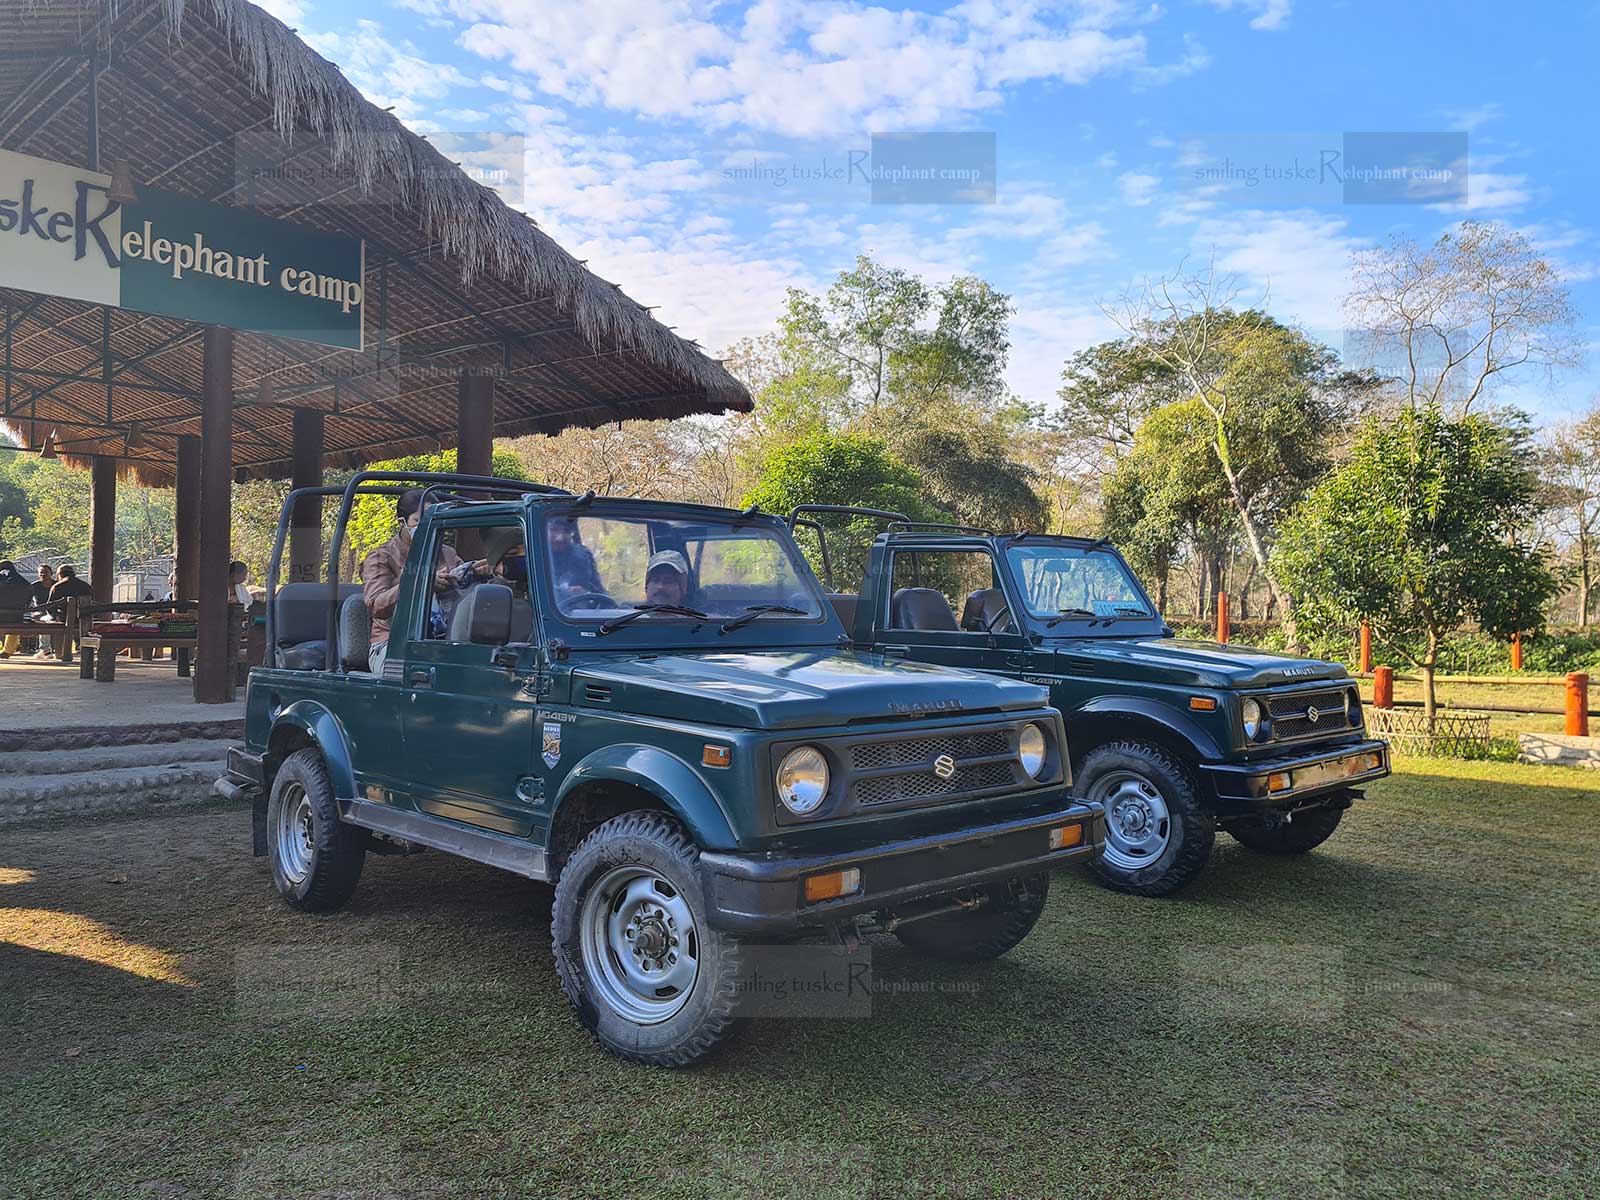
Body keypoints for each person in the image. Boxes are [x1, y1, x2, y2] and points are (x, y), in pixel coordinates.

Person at [362, 488, 461, 673]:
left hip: (442, 642)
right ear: (402, 522)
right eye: (419, 520)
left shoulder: (447, 552)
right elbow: (376, 605)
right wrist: (421, 583)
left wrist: (474, 572)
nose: (427, 525)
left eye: (433, 519)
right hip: (392, 644)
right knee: (420, 675)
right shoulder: (380, 556)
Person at [547, 516, 603, 599]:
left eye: (566, 531)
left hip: (579, 609)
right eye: (554, 530)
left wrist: (585, 593)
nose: (560, 538)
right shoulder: (532, 556)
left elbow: (599, 592)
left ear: (571, 533)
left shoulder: (583, 557)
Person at [0, 561, 30, 658]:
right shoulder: (22, 581)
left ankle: (7, 649)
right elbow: (28, 597)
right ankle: (8, 650)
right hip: (16, 617)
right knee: (15, 622)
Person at [30, 565, 53, 658]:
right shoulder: (34, 586)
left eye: (46, 572)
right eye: (41, 572)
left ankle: (46, 649)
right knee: (43, 621)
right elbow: (27, 600)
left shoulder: (56, 585)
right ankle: (45, 649)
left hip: (53, 611)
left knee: (46, 621)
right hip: (39, 612)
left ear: (51, 573)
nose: (43, 574)